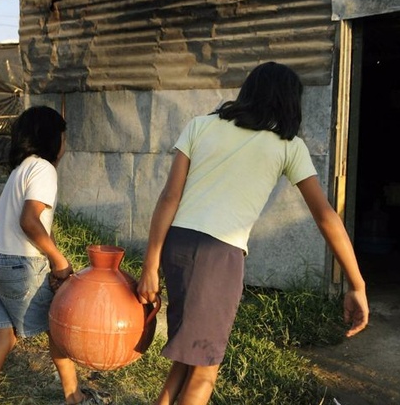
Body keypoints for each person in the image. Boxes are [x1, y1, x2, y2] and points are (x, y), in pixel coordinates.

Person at [136, 62, 370, 405]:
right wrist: (358, 285)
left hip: (178, 246)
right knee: (205, 372)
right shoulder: (289, 146)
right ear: (292, 102)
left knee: (187, 362)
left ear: (248, 92)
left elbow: (170, 198)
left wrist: (150, 265)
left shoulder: (201, 126)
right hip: (219, 255)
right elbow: (326, 217)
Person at [0, 105, 104, 405]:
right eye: (63, 138)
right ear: (51, 139)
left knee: (2, 339)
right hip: (20, 265)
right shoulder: (44, 169)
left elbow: (39, 224)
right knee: (57, 328)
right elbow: (29, 221)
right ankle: (75, 398)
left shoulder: (22, 168)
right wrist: (59, 261)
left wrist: (55, 258)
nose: (64, 146)